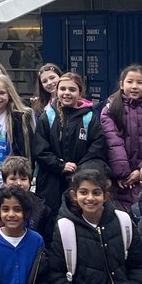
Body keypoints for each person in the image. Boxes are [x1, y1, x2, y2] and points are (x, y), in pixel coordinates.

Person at [36, 71, 107, 215]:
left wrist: (80, 171)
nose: (67, 93)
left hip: (80, 179)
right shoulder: (47, 117)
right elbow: (39, 149)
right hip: (51, 181)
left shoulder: (89, 118)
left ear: (80, 93)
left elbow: (97, 147)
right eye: (63, 89)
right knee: (51, 220)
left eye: (72, 89)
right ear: (57, 91)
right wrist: (61, 166)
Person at [101, 64, 142, 210]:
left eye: (139, 82)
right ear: (122, 85)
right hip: (117, 179)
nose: (134, 86)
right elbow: (113, 142)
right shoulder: (110, 110)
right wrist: (122, 173)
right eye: (130, 82)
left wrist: (141, 171)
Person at [0, 156, 53, 241]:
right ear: (4, 182)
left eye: (23, 179)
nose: (19, 183)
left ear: (30, 182)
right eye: (13, 179)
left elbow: (48, 241)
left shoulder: (43, 209)